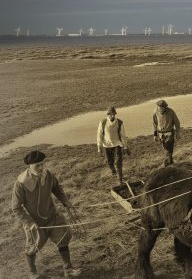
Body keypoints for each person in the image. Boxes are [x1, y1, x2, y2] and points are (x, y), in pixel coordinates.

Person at [12, 150, 82, 278]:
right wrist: (29, 223)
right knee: (32, 247)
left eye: (42, 164)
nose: (41, 168)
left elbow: (56, 187)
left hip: (52, 216)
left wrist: (65, 201)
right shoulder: (21, 183)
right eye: (37, 165)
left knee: (63, 238)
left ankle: (68, 268)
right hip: (34, 223)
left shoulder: (47, 174)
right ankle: (32, 273)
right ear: (29, 166)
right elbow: (16, 208)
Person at [96, 106, 129, 183]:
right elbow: (99, 135)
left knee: (118, 162)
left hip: (117, 144)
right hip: (106, 145)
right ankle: (113, 170)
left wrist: (125, 147)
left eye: (113, 114)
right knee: (109, 162)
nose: (112, 116)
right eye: (110, 114)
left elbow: (123, 135)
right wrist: (99, 146)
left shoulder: (120, 123)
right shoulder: (103, 122)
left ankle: (120, 178)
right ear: (108, 115)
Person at [152, 99, 181, 167]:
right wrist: (155, 135)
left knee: (167, 149)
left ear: (165, 107)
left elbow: (177, 123)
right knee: (166, 149)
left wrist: (178, 133)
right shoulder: (155, 112)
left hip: (169, 133)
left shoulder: (171, 112)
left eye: (162, 108)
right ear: (157, 107)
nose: (161, 109)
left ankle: (166, 164)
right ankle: (170, 162)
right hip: (161, 134)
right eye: (159, 108)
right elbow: (154, 124)